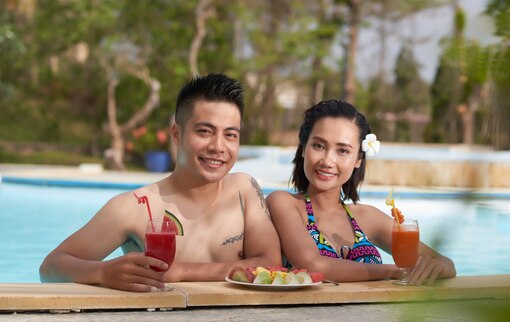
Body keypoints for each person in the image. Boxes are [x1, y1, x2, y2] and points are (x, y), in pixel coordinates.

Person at [40, 73, 282, 292]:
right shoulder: (135, 207)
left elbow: (271, 264)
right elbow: (51, 268)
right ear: (177, 135)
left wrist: (181, 271)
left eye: (230, 135)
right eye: (205, 131)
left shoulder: (243, 190)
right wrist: (103, 272)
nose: (218, 147)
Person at [266, 100, 456, 285]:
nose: (327, 160)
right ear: (303, 149)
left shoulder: (367, 217)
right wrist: (393, 271)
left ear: (358, 159)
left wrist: (439, 267)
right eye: (319, 146)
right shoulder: (283, 203)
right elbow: (313, 265)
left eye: (342, 151)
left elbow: (445, 263)